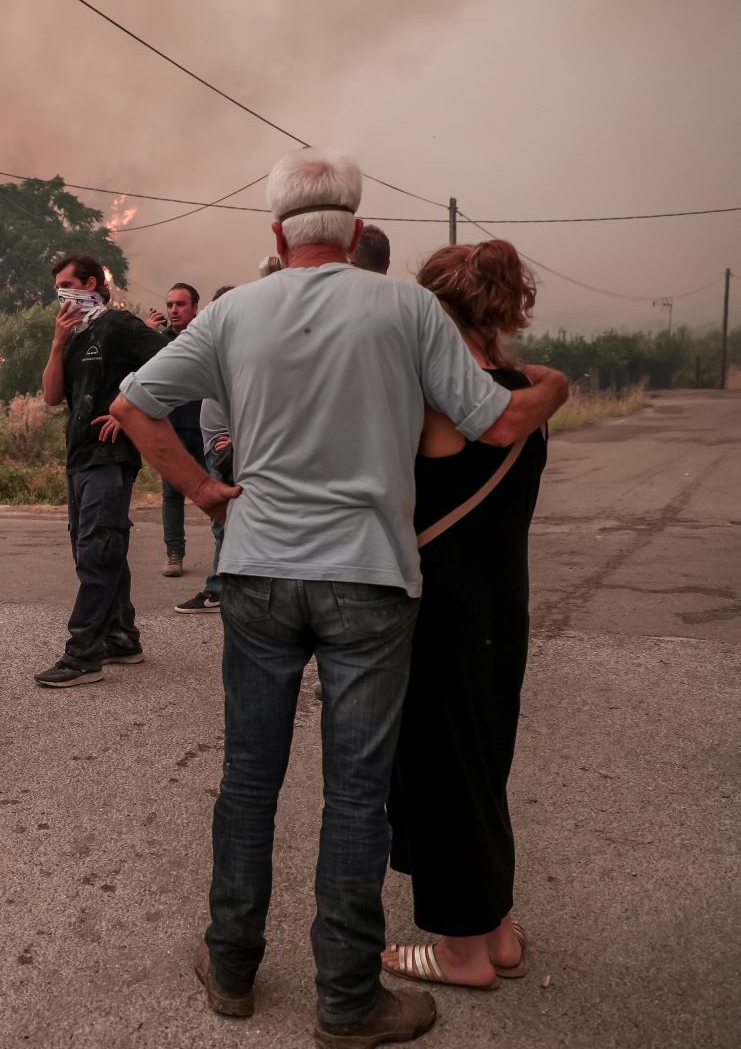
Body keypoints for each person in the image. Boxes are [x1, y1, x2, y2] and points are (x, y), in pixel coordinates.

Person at [108, 149, 569, 1046]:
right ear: (356, 233)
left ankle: (232, 966)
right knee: (354, 794)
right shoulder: (402, 308)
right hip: (368, 577)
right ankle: (347, 999)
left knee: (248, 779)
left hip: (256, 573)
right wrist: (553, 383)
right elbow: (498, 420)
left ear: (276, 236)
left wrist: (206, 494)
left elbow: (133, 406)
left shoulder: (234, 312)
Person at [383, 241, 547, 991]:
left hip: (439, 605)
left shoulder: (433, 396)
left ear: (434, 310)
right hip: (501, 601)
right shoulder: (522, 391)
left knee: (439, 766)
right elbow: (537, 392)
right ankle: (497, 929)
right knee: (483, 760)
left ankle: (460, 952)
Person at [33, 254, 166, 687]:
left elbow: (172, 362)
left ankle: (83, 654)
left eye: (69, 284)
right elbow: (53, 396)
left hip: (111, 459)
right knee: (96, 548)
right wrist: (56, 342)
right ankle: (122, 637)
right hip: (79, 457)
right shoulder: (73, 335)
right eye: (58, 288)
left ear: (92, 283)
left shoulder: (120, 326)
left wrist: (128, 411)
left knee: (97, 552)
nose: (62, 295)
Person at [176, 285, 237, 615]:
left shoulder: (237, 353)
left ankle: (219, 589)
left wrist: (237, 439)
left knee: (225, 523)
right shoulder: (221, 350)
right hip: (216, 448)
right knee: (223, 523)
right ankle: (223, 588)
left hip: (226, 451)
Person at [153, 283, 207, 578]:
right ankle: (174, 553)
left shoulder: (205, 337)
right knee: (171, 495)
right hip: (171, 427)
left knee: (215, 491)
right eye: (170, 304)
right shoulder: (158, 342)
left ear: (195, 308)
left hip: (204, 426)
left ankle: (228, 553)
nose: (173, 310)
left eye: (180, 304)